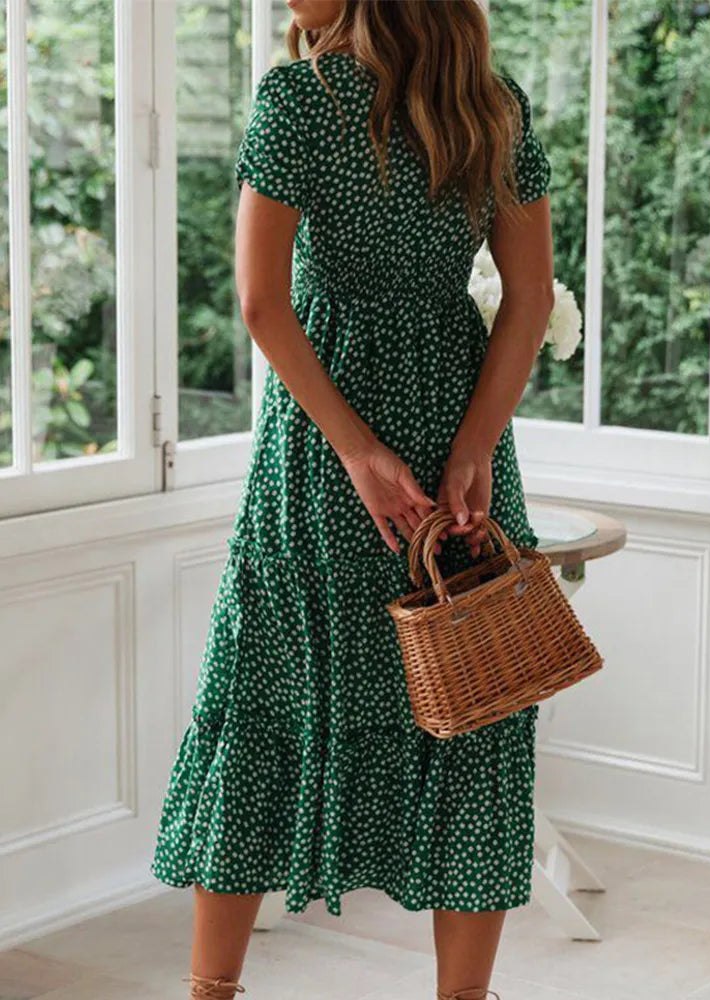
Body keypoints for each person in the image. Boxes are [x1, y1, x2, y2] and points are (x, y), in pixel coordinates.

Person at [150, 1, 554, 997]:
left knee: (266, 692)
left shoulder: (300, 100)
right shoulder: (491, 103)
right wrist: (472, 447)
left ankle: (210, 990)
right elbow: (531, 300)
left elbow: (261, 302)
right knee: (472, 700)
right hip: (458, 433)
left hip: (327, 442)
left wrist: (360, 451)